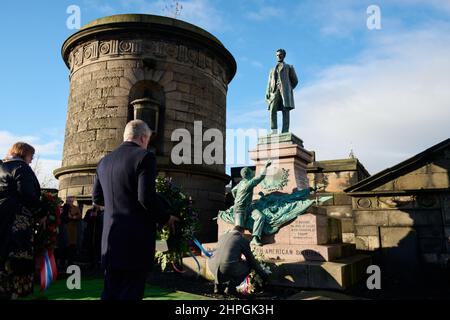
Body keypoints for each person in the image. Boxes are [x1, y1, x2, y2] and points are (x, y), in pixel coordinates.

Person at [92, 119, 179, 300]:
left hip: (110, 239)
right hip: (135, 240)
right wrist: (165, 217)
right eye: (147, 140)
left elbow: (97, 198)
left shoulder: (103, 162)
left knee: (110, 292)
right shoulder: (144, 157)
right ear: (142, 138)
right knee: (131, 292)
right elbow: (145, 198)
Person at [0, 142, 42, 299]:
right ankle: (16, 291)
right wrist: (42, 211)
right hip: (17, 218)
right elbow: (29, 195)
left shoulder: (1, 166)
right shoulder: (21, 167)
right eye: (32, 155)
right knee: (18, 256)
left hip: (2, 217)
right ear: (24, 153)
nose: (32, 159)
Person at [208, 225, 269, 295]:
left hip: (211, 265)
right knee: (248, 266)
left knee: (220, 262)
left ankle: (217, 287)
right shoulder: (241, 239)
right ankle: (231, 288)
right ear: (242, 233)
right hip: (226, 267)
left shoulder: (222, 237)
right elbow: (251, 260)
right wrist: (263, 275)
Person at [231, 160, 271, 245]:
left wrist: (236, 199)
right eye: (251, 173)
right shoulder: (248, 184)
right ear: (248, 174)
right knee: (239, 229)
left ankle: (255, 238)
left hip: (248, 207)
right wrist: (266, 167)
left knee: (260, 217)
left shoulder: (241, 182)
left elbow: (233, 190)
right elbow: (260, 177)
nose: (253, 174)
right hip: (240, 210)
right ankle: (235, 245)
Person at [265, 48, 298, 134]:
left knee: (285, 110)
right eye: (277, 55)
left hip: (285, 92)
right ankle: (274, 130)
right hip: (274, 92)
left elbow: (295, 81)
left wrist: (288, 89)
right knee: (272, 109)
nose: (278, 56)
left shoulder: (289, 67)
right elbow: (269, 83)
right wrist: (268, 93)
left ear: (284, 55)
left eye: (280, 55)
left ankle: (285, 130)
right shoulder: (272, 70)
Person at [63, 196, 82, 264]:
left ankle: (71, 262)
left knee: (72, 246)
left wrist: (75, 217)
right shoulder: (64, 208)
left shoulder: (76, 208)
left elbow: (79, 216)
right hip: (65, 229)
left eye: (71, 201)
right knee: (65, 246)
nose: (69, 202)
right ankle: (63, 261)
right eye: (68, 201)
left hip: (73, 230)